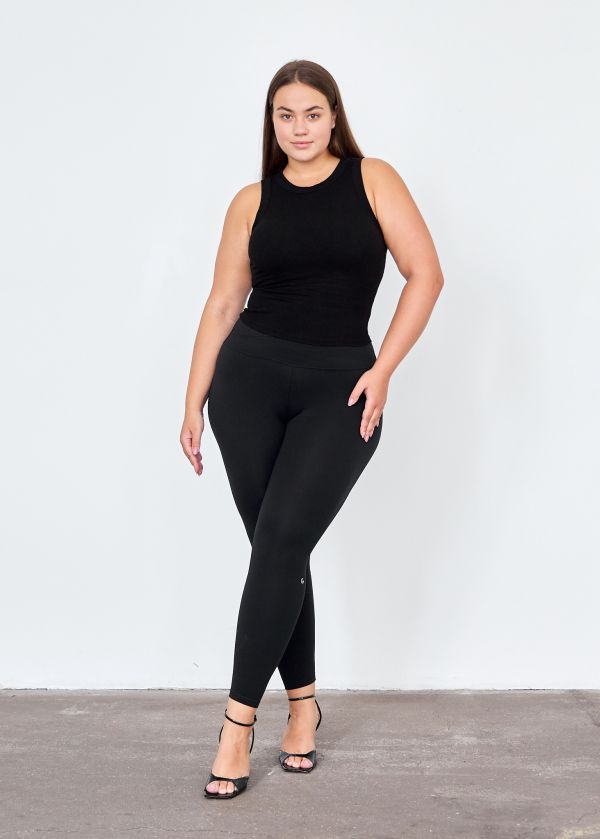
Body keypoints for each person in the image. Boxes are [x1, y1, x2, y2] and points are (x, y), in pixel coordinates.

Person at [180, 59, 444, 800]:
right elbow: (223, 302)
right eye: (285, 115)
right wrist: (193, 400)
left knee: (281, 540)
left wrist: (383, 369)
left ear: (334, 116)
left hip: (342, 386)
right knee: (278, 546)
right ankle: (302, 708)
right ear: (272, 122)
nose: (299, 128)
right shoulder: (251, 200)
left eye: (312, 113)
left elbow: (426, 274)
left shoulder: (373, 179)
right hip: (247, 384)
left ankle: (236, 724)